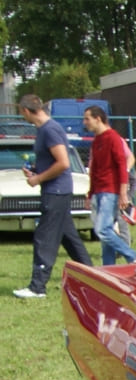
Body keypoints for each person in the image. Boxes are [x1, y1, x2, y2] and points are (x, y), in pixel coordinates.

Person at [14, 94, 91, 298]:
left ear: (26, 111)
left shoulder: (50, 129)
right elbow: (51, 161)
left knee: (44, 238)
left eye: (22, 113)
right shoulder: (43, 130)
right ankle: (94, 277)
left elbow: (63, 162)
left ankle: (37, 287)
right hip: (55, 190)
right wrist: (34, 170)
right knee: (69, 238)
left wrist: (38, 179)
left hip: (55, 190)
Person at [81, 105, 136, 266]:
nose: (85, 123)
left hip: (110, 191)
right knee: (106, 234)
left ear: (98, 119)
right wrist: (90, 193)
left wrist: (123, 193)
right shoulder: (96, 141)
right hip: (98, 192)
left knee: (102, 230)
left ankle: (132, 256)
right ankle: (109, 268)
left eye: (87, 119)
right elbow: (95, 170)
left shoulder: (113, 138)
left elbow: (122, 165)